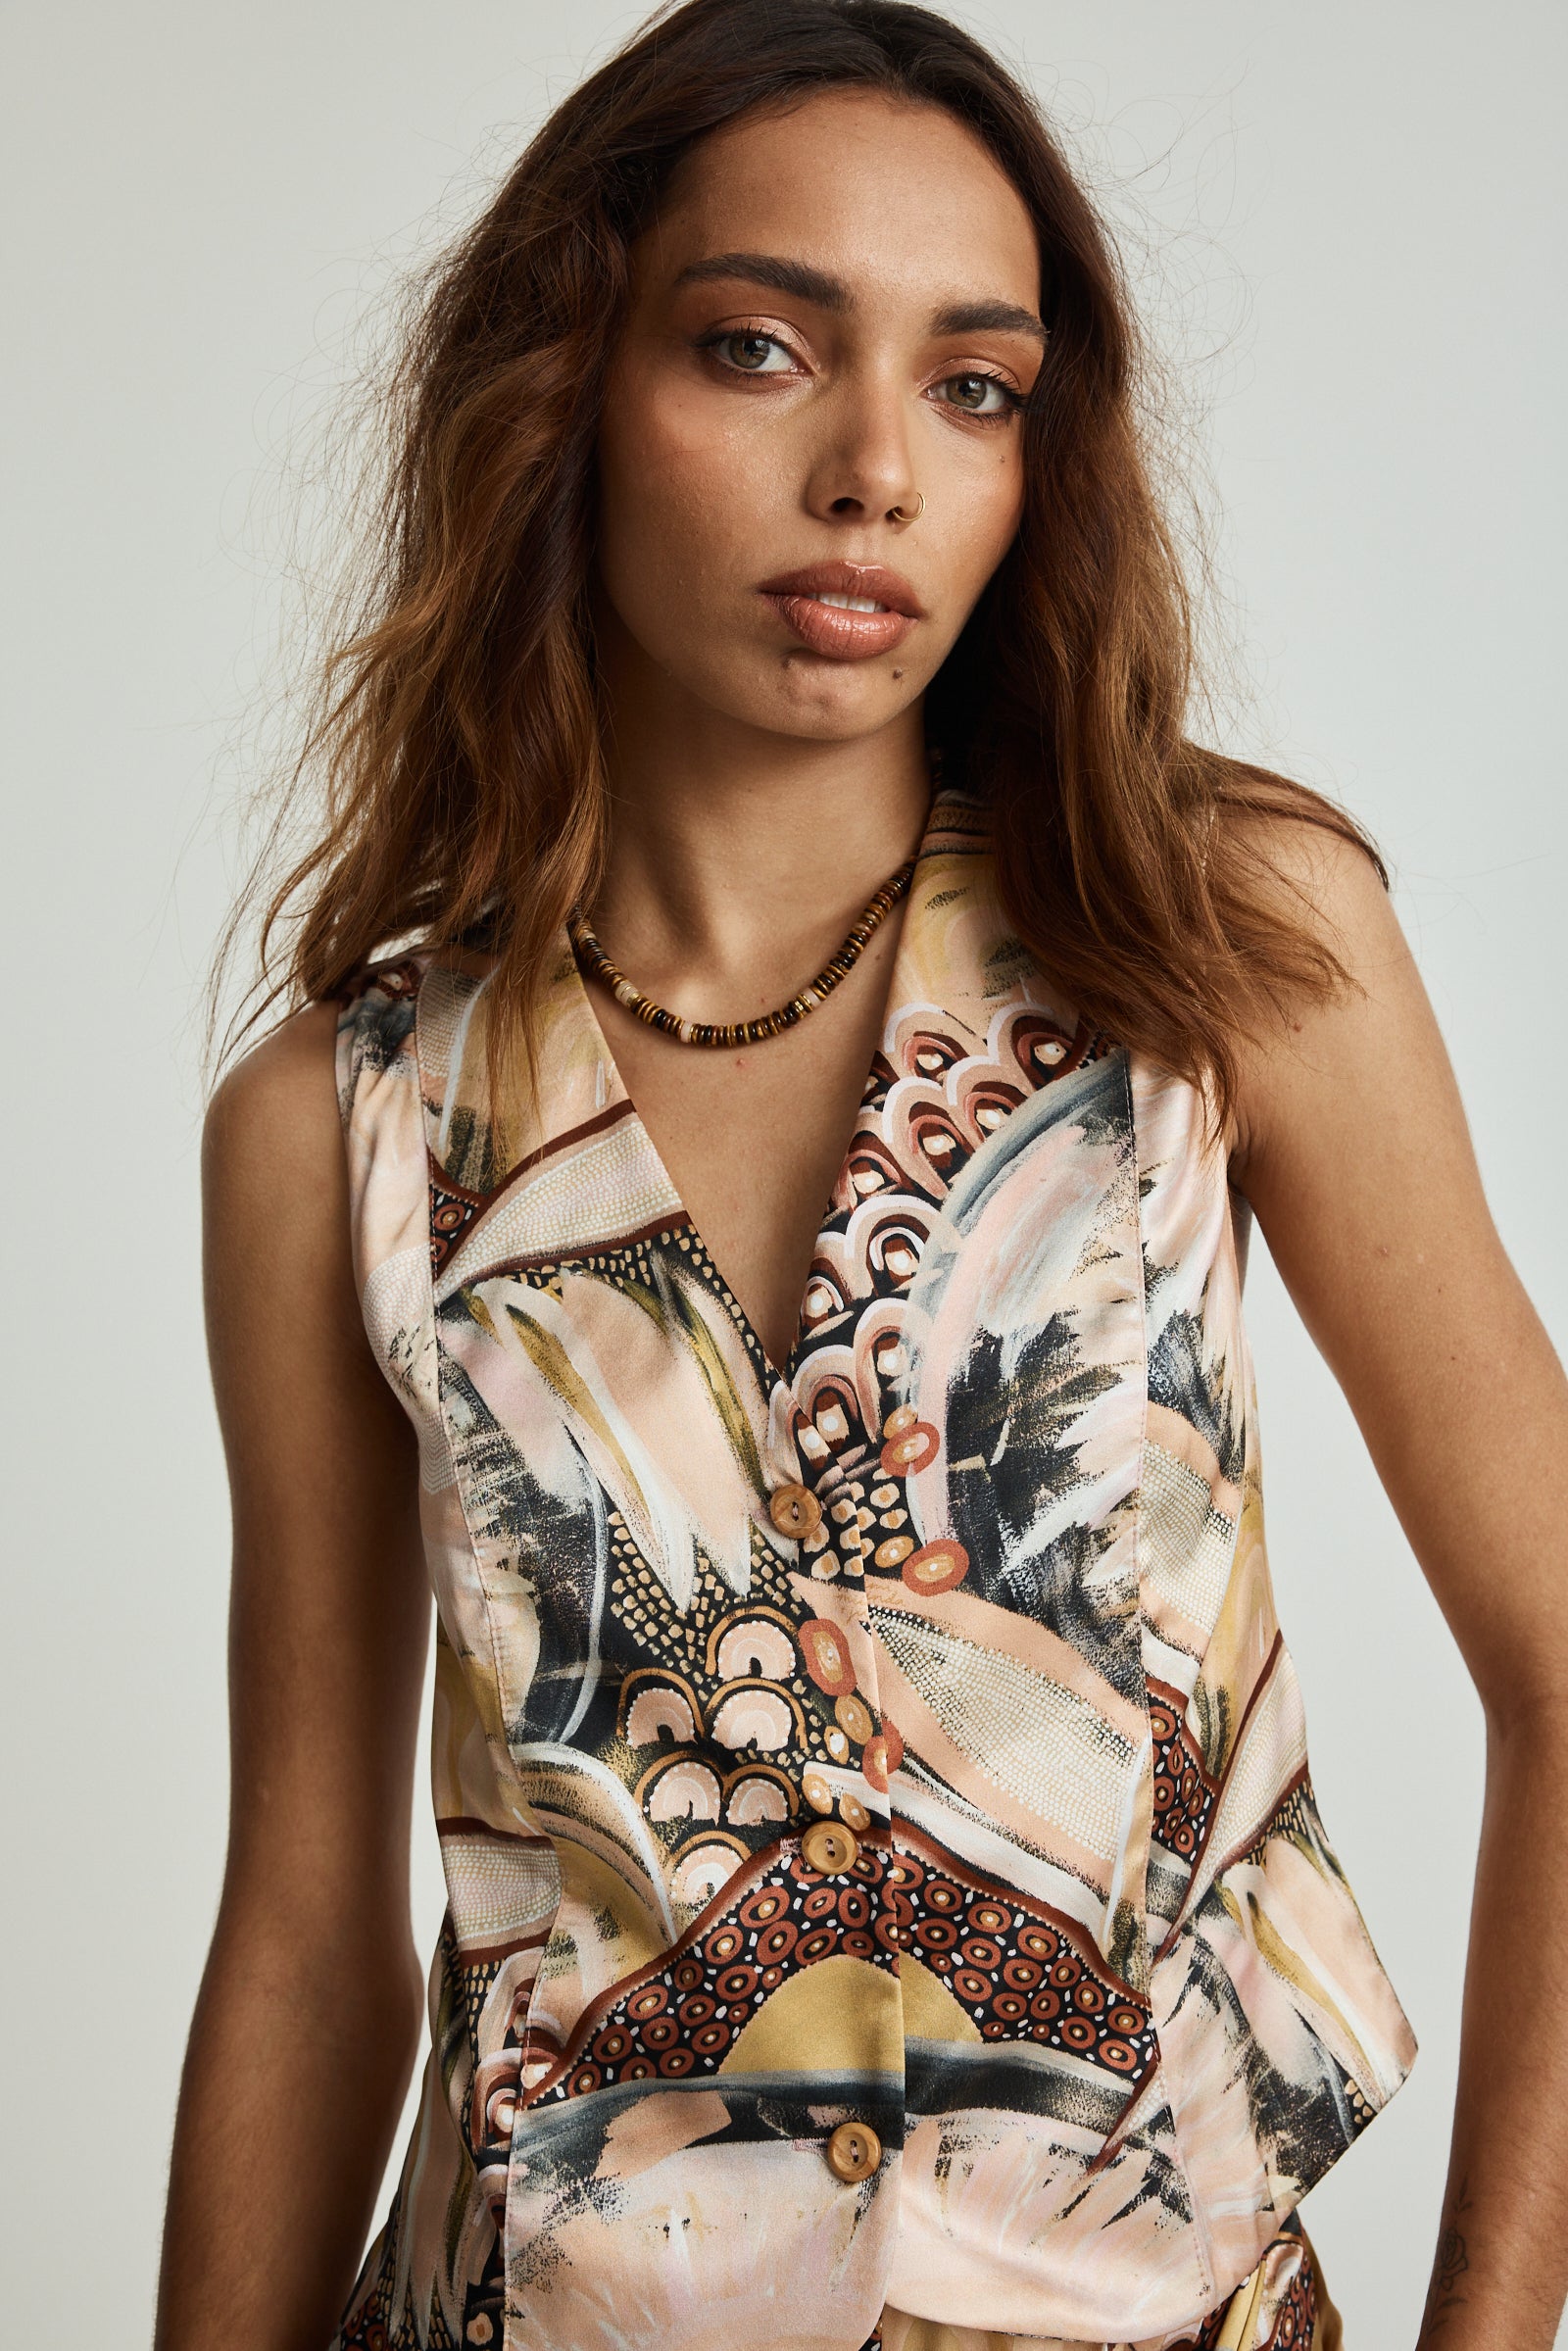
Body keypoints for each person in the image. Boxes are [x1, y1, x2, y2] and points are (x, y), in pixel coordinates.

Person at [156, 3, 1568, 2347]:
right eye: (754, 347)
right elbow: (303, 1924)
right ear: (564, 391)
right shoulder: (344, 1122)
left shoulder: (1223, 945)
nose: (873, 474)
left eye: (972, 385)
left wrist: (1494, 2328)